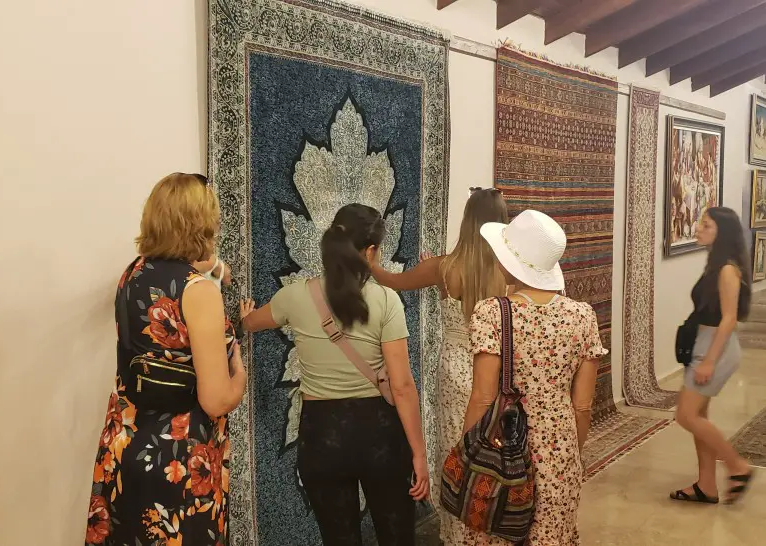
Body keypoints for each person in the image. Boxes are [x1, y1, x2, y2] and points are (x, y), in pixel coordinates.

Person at [240, 203, 428, 546]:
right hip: (380, 437)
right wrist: (419, 452)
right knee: (397, 536)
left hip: (321, 437)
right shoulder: (386, 300)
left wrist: (245, 315)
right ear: (370, 251)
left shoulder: (294, 296)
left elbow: (251, 323)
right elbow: (401, 387)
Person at [86, 173, 246, 546]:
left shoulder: (133, 274)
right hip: (178, 458)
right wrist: (239, 372)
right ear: (202, 224)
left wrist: (217, 268)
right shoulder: (199, 291)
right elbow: (217, 399)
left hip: (124, 443)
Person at [370, 187, 509, 545]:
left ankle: (456, 533)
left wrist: (371, 265)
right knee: (491, 451)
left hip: (454, 371)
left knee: (455, 450)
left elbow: (393, 282)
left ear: (467, 222)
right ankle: (489, 526)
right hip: (492, 372)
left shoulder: (444, 268)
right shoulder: (507, 271)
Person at [460, 210, 606, 545]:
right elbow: (583, 406)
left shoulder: (492, 312)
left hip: (502, 445)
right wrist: (570, 452)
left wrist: (468, 451)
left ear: (510, 263)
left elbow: (482, 397)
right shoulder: (582, 315)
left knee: (498, 531)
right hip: (559, 445)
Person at [670, 207, 754, 506]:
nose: (698, 228)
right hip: (706, 343)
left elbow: (729, 318)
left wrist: (708, 361)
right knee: (699, 416)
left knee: (686, 415)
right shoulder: (715, 264)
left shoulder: (727, 269)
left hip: (715, 348)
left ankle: (737, 467)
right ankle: (706, 486)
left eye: (706, 225)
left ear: (722, 232)